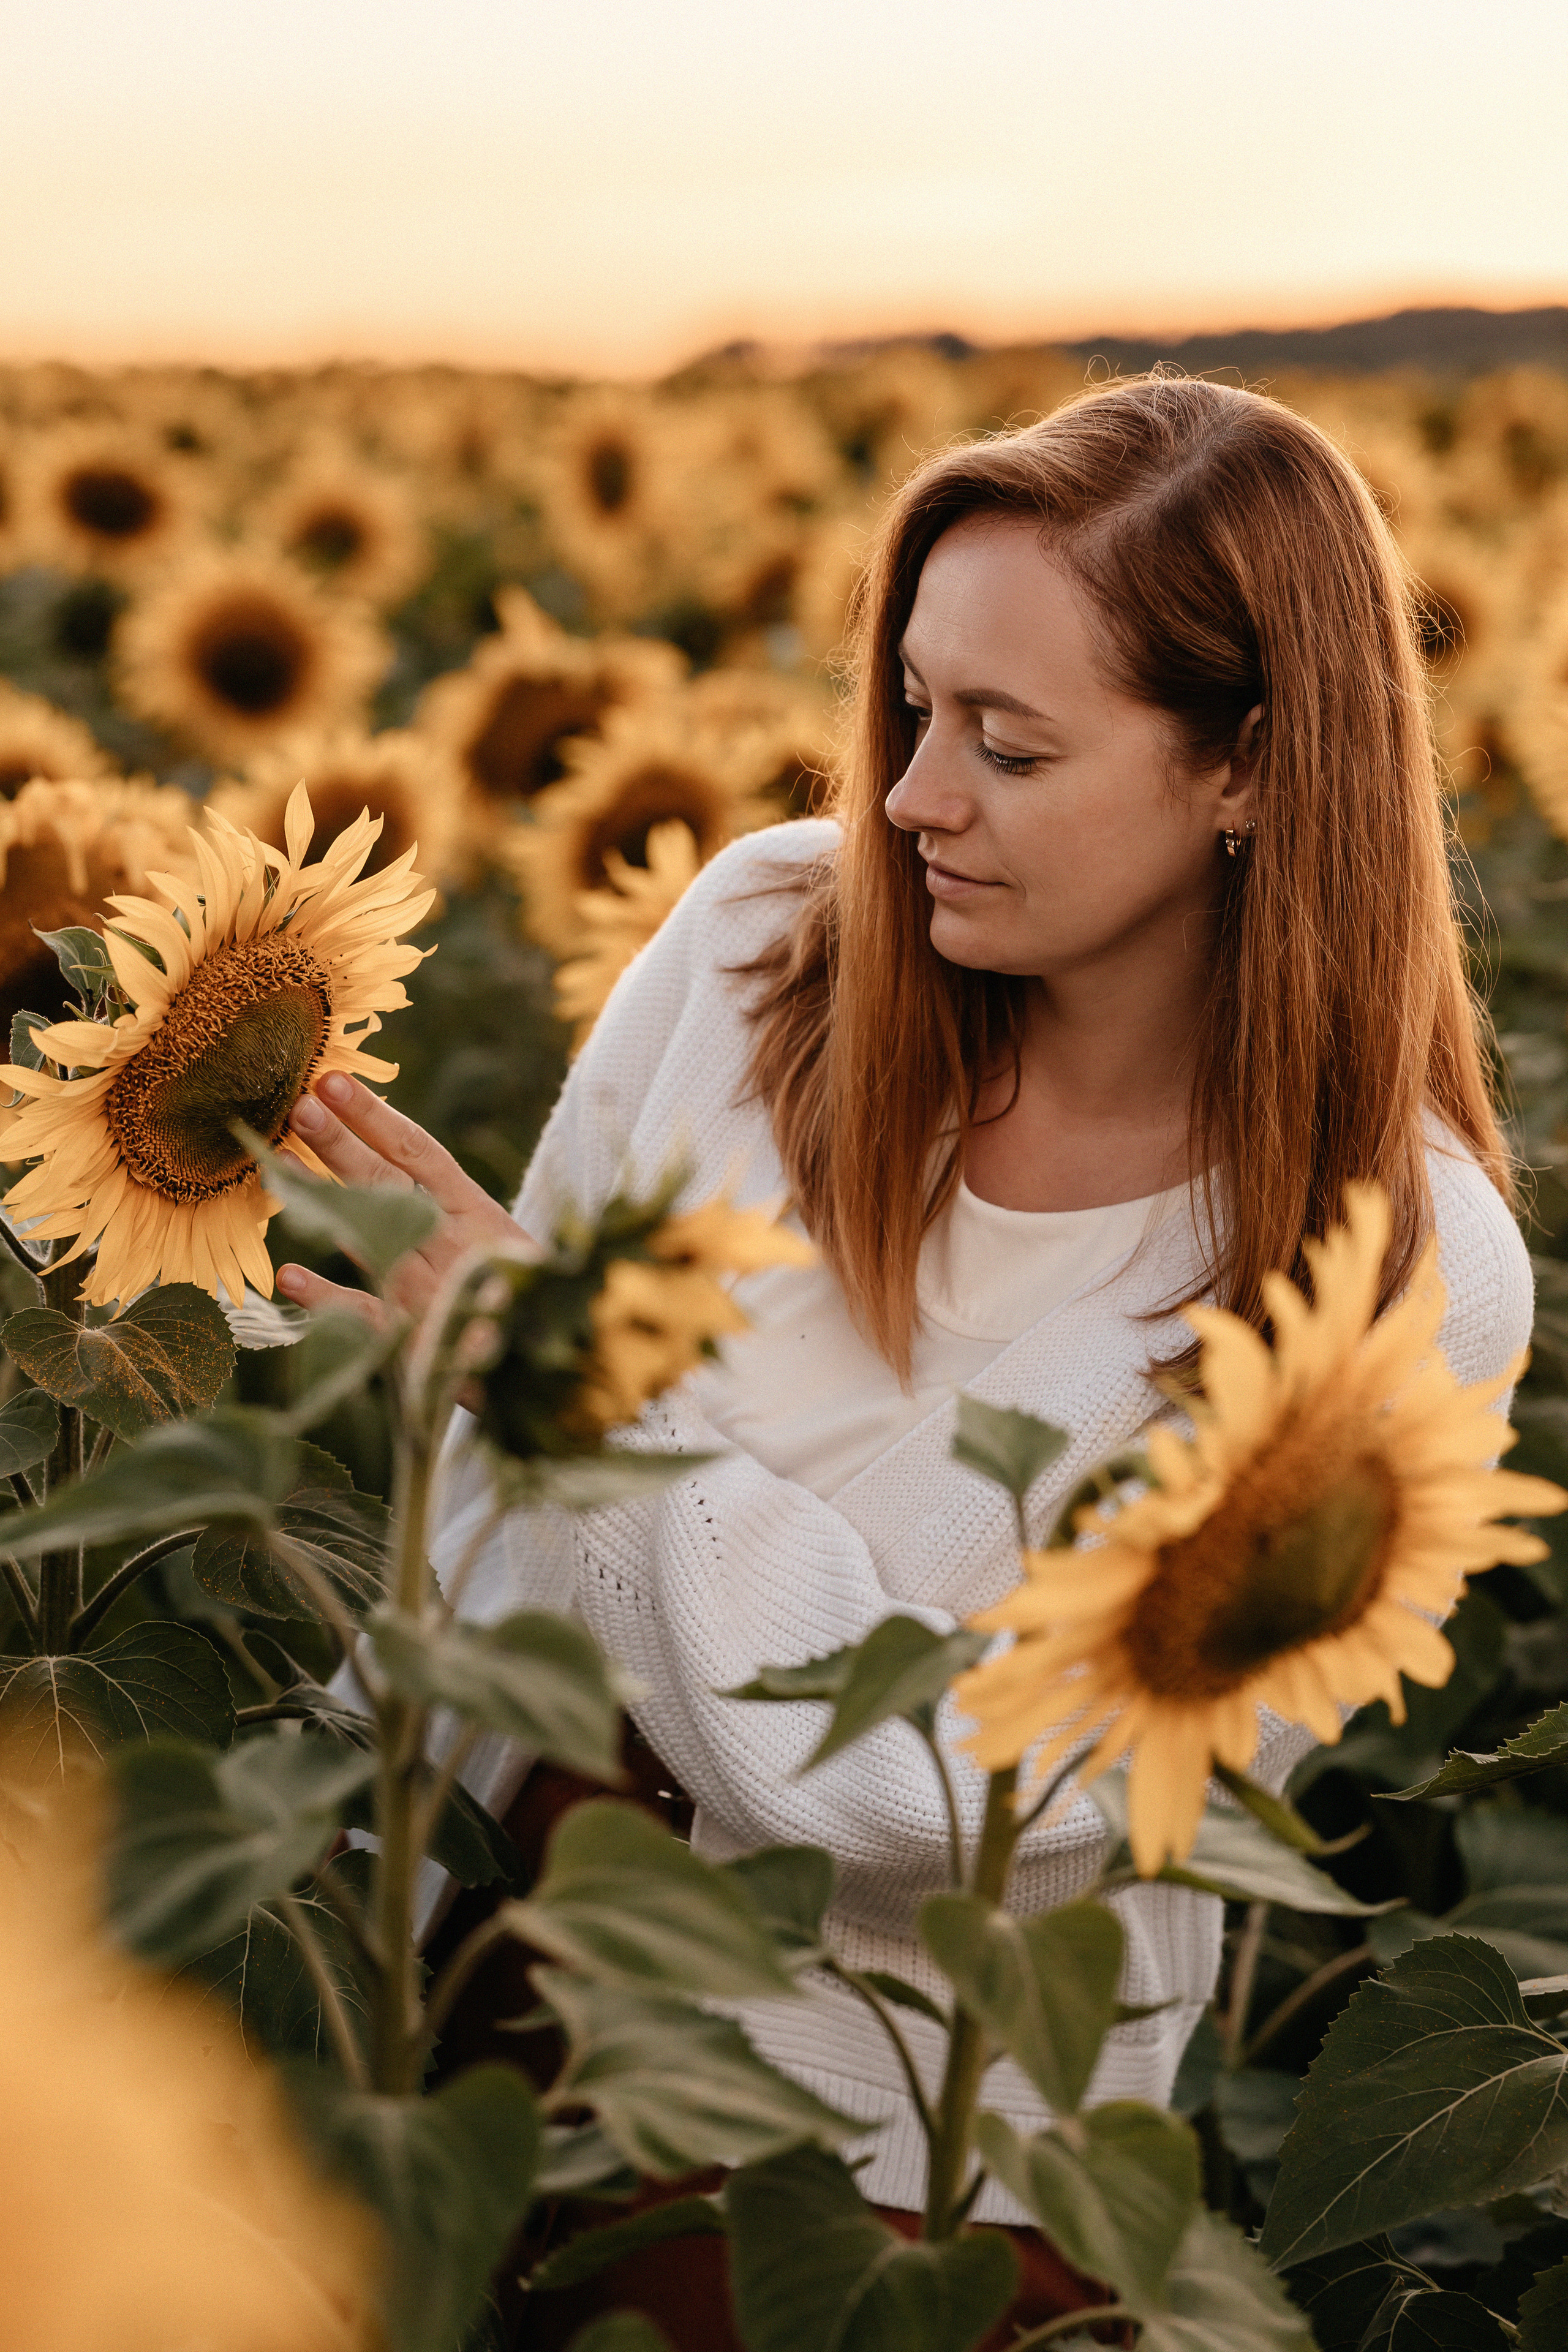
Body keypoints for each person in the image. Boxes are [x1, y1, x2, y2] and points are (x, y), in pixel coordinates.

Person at [279, 375, 1532, 2341]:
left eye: (1009, 747)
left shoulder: (1396, 1267)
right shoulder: (764, 946)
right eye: (914, 709)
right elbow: (486, 1535)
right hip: (455, 1963)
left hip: (887, 2155)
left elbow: (994, 1803)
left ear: (1255, 770)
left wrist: (565, 1386)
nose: (909, 797)